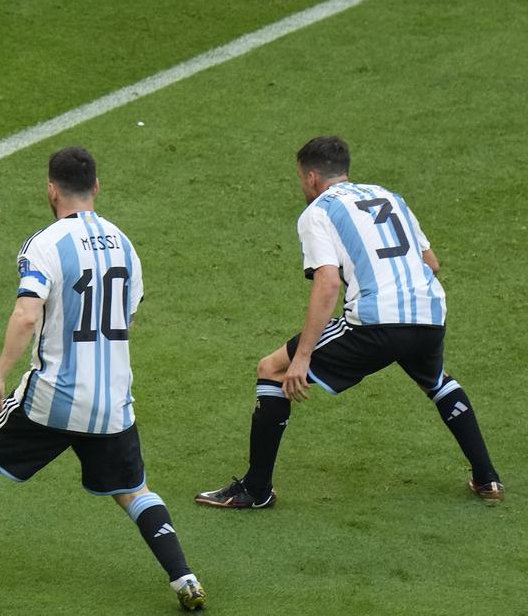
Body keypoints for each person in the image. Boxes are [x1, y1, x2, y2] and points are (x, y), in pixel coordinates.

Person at [0, 147, 207, 612]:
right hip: (113, 401)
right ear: (97, 187)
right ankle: (184, 578)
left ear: (51, 190)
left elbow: (27, 315)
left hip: (54, 397)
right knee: (133, 491)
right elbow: (130, 312)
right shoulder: (124, 243)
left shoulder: (44, 244)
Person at [195, 136, 503, 510]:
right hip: (430, 314)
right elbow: (432, 263)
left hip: (374, 323)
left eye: (300, 179)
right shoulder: (389, 197)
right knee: (436, 380)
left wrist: (302, 357)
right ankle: (487, 479)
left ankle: (256, 490)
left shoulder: (318, 211)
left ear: (311, 177)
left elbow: (328, 283)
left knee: (273, 369)